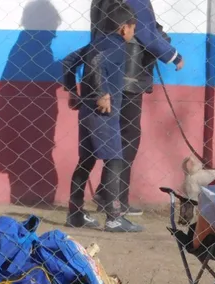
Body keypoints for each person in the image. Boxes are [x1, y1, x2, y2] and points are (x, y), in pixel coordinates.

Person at [90, 0, 184, 215]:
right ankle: (114, 198)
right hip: (129, 76)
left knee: (117, 134)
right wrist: (173, 55)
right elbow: (145, 32)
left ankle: (107, 192)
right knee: (128, 136)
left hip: (108, 72)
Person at [63, 3, 142, 233]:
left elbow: (68, 62)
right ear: (124, 28)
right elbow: (97, 63)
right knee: (115, 160)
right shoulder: (117, 45)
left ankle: (75, 214)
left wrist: (72, 91)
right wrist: (101, 93)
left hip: (87, 113)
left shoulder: (95, 43)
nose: (133, 33)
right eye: (133, 28)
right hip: (103, 115)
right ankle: (114, 217)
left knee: (86, 161)